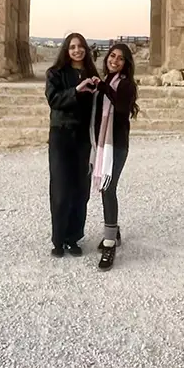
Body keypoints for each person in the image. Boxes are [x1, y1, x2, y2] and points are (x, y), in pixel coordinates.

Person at [45, 32, 99, 257]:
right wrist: (76, 91)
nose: (77, 50)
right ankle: (58, 240)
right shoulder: (55, 73)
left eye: (81, 46)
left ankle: (73, 237)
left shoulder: (90, 73)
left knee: (80, 190)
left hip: (83, 138)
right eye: (72, 47)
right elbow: (54, 100)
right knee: (60, 189)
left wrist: (98, 88)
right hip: (61, 136)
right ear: (66, 50)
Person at [89, 41, 139, 271]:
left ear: (125, 63)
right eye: (112, 56)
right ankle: (114, 230)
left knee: (108, 187)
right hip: (102, 144)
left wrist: (103, 88)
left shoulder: (127, 85)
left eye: (120, 58)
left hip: (116, 145)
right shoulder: (107, 81)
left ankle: (110, 242)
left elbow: (120, 108)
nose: (114, 60)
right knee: (104, 187)